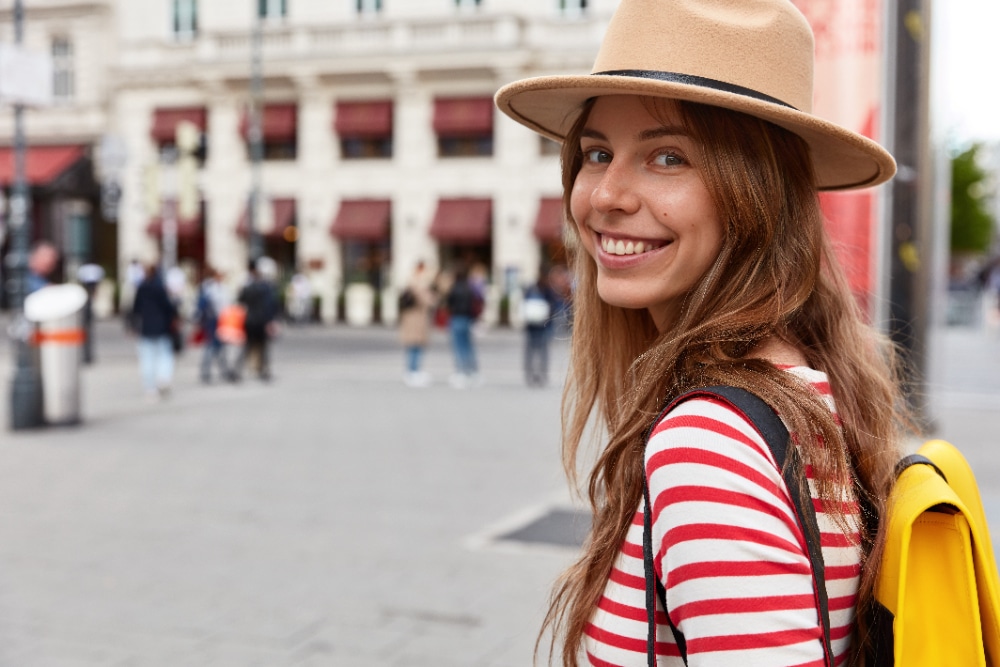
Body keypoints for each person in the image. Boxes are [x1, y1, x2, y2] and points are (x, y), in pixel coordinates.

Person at [495, 1, 913, 664]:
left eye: (667, 157)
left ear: (759, 195)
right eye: (597, 152)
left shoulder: (707, 444)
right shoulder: (810, 385)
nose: (605, 194)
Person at [128, 264, 178, 400]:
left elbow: (134, 308)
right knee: (164, 355)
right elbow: (168, 307)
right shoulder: (160, 287)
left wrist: (132, 326)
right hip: (161, 327)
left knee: (147, 359)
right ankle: (163, 378)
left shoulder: (141, 288)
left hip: (146, 327)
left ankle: (150, 389)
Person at [234, 257, 279, 382]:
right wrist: (271, 320)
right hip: (262, 321)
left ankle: (237, 371)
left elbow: (240, 300)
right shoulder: (267, 288)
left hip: (250, 320)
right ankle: (264, 371)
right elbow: (272, 305)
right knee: (263, 347)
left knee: (247, 346)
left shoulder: (248, 286)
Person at [398, 260, 436, 387]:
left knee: (412, 347)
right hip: (417, 320)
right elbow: (430, 301)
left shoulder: (410, 282)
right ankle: (413, 372)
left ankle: (412, 371)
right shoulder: (419, 284)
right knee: (416, 346)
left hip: (410, 320)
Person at [444, 263, 482, 388]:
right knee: (468, 347)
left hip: (456, 318)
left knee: (458, 347)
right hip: (468, 318)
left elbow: (448, 303)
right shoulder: (469, 287)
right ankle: (473, 372)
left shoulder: (454, 288)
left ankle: (461, 372)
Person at [194, 267, 230, 383]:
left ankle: (223, 370)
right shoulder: (208, 289)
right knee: (210, 347)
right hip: (212, 321)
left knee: (222, 347)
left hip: (223, 321)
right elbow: (202, 307)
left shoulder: (223, 288)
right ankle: (206, 372)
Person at [521, 271, 557, 387]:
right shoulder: (548, 289)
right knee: (542, 350)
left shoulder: (532, 288)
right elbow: (554, 305)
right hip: (542, 324)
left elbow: (524, 303)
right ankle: (541, 374)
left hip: (532, 325)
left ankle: (531, 374)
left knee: (531, 350)